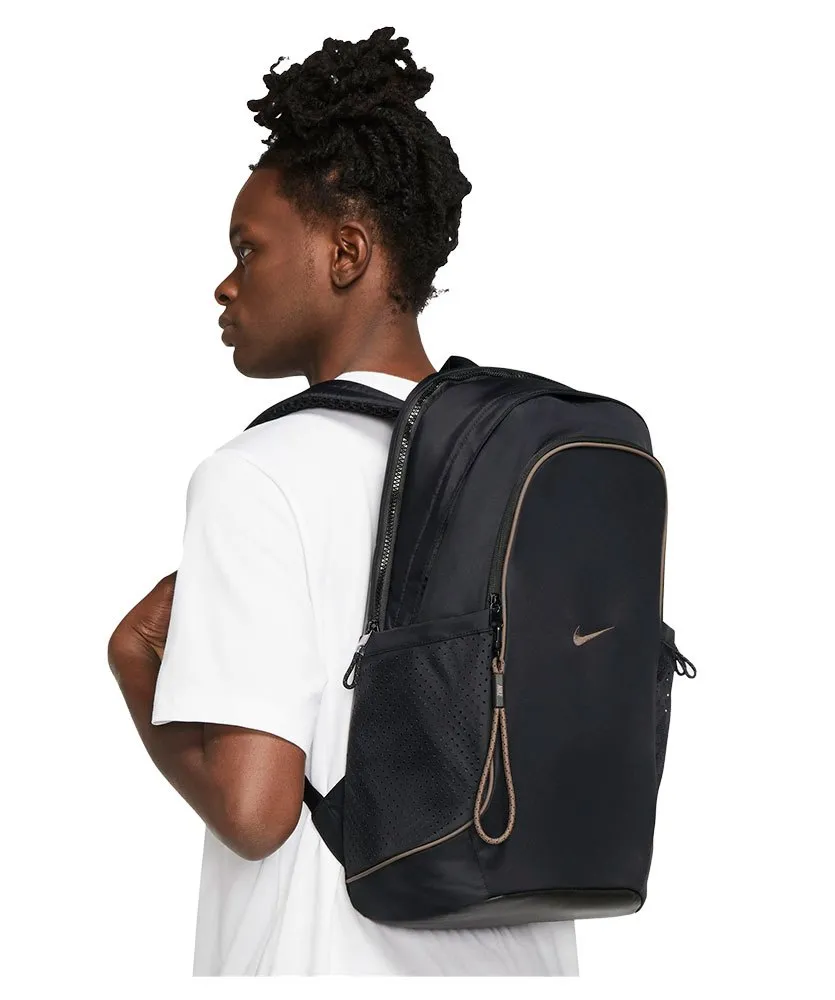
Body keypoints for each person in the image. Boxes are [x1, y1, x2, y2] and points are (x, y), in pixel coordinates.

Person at [107, 26, 579, 976]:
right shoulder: (522, 459)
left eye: (248, 248)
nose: (225, 284)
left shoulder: (257, 475)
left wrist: (131, 667)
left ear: (347, 252)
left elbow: (255, 811)